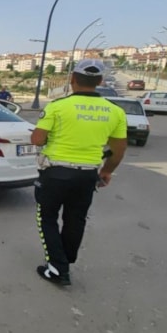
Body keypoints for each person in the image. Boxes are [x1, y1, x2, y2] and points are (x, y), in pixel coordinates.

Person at [29, 59, 127, 287]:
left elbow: (37, 139)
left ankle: (57, 268)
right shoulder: (116, 112)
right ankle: (65, 260)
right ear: (100, 81)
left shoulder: (58, 106)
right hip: (87, 175)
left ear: (72, 79)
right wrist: (107, 171)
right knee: (76, 220)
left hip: (55, 173)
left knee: (47, 218)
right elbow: (119, 149)